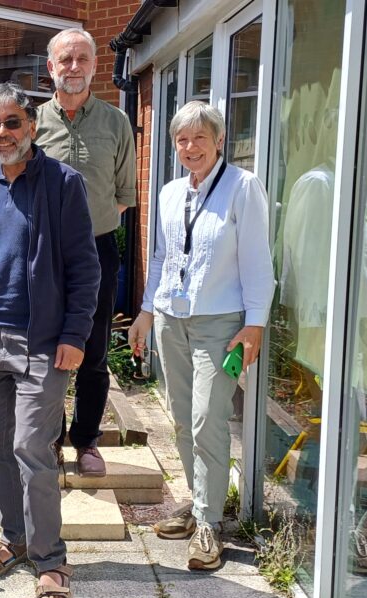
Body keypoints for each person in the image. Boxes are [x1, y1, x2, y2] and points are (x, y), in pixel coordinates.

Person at [0, 83, 98, 598]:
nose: (2, 133)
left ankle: (51, 558)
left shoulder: (62, 184)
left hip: (40, 342)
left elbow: (85, 267)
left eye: (12, 123)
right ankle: (14, 536)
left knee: (32, 448)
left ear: (32, 126)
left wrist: (75, 336)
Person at [127, 101, 274, 570]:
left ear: (219, 141)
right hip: (172, 319)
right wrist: (146, 313)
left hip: (221, 324)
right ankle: (198, 504)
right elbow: (163, 259)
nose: (190, 148)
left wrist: (254, 325)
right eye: (182, 140)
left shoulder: (242, 187)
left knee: (208, 420)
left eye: (199, 138)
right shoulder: (170, 192)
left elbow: (257, 262)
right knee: (178, 417)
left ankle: (211, 525)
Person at [35, 27, 137, 477]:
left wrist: (84, 230)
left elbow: (122, 193)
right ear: (51, 68)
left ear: (95, 66)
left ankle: (88, 441)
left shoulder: (116, 123)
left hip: (96, 252)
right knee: (43, 350)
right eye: (65, 60)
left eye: (82, 59)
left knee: (93, 352)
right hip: (43, 254)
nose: (73, 67)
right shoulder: (31, 122)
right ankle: (50, 440)